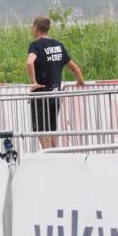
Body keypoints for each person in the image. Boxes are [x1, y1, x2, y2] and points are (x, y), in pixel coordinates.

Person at [26, 16, 85, 150]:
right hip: (55, 95)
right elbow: (75, 67)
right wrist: (80, 81)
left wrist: (34, 83)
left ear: (36, 28)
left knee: (42, 131)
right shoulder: (58, 45)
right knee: (52, 130)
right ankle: (56, 157)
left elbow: (29, 62)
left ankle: (49, 159)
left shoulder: (35, 45)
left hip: (41, 95)